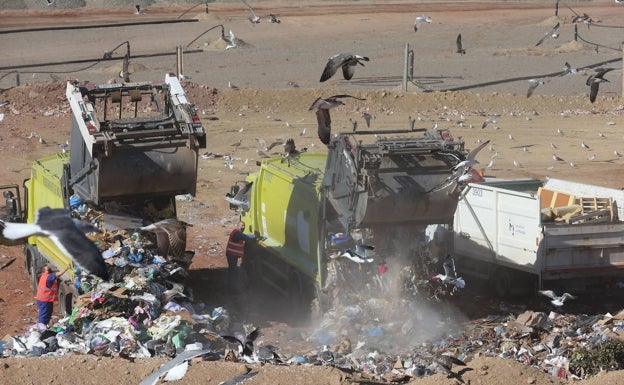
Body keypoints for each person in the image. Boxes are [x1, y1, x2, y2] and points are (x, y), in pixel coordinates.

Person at [225, 221, 255, 293]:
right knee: (234, 271)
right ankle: (232, 289)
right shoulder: (237, 233)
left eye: (244, 226)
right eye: (242, 226)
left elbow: (244, 236)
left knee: (232, 271)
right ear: (238, 226)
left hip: (232, 255)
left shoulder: (237, 233)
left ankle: (231, 288)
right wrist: (254, 236)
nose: (243, 227)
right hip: (231, 255)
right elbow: (246, 237)